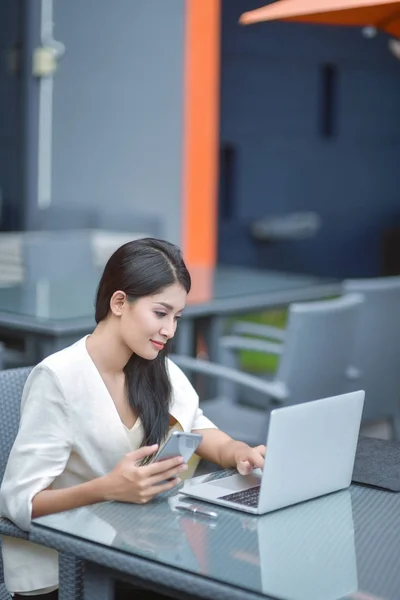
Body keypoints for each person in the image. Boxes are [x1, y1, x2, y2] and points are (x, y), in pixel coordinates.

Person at [0, 238, 265, 600]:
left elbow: (197, 425)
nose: (170, 330)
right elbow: (21, 503)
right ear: (119, 302)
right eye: (161, 313)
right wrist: (109, 487)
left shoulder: (154, 367)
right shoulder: (59, 379)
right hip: (65, 572)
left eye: (176, 317)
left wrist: (237, 452)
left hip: (129, 551)